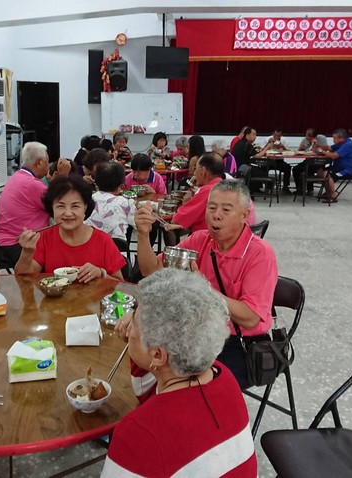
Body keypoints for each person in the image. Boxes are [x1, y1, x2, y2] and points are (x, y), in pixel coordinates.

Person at [104, 269, 257, 476]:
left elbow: (156, 414)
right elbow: (152, 395)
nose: (128, 328)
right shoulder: (223, 375)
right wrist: (141, 345)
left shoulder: (138, 434)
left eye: (134, 323)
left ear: (158, 355)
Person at [135, 180, 277, 389]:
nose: (216, 215)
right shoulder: (201, 240)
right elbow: (152, 271)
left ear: (244, 216)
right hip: (197, 331)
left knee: (179, 381)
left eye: (226, 209)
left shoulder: (260, 254)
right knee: (146, 354)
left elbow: (250, 318)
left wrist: (204, 288)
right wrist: (143, 234)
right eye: (211, 208)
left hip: (239, 343)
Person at [15, 175, 126, 283]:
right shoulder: (44, 238)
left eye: (75, 206)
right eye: (60, 206)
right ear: (52, 208)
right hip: (53, 301)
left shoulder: (103, 241)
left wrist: (101, 273)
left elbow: (121, 285)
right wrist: (27, 252)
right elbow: (23, 280)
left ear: (85, 207)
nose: (68, 213)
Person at [0, 142, 71, 263]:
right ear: (39, 162)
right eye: (47, 162)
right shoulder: (33, 185)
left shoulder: (16, 177)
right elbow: (63, 205)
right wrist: (64, 176)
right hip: (18, 244)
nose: (48, 166)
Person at [169, 153, 257, 236]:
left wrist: (185, 203)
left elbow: (176, 221)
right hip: (239, 236)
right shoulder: (226, 187)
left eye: (196, 169)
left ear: (203, 171)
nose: (194, 173)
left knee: (168, 229)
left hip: (211, 241)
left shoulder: (209, 191)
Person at [86, 162, 137, 241]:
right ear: (120, 185)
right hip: (116, 251)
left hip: (89, 249)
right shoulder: (126, 203)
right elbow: (138, 225)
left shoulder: (86, 200)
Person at [318, 128, 352, 203]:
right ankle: (328, 192)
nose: (333, 140)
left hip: (348, 170)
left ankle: (333, 196)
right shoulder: (339, 144)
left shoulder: (348, 145)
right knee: (320, 171)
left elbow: (334, 156)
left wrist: (321, 151)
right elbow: (329, 148)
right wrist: (318, 145)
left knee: (327, 174)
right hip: (339, 167)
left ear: (341, 138)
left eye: (334, 138)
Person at [231, 126, 273, 192]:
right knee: (263, 174)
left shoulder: (241, 143)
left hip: (239, 166)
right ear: (247, 135)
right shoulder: (246, 144)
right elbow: (258, 156)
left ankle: (255, 189)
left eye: (256, 134)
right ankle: (268, 190)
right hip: (243, 168)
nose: (255, 136)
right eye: (253, 134)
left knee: (258, 170)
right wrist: (267, 147)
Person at [292, 127, 329, 194]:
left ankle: (310, 189)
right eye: (306, 136)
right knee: (295, 169)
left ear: (314, 137)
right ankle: (300, 189)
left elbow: (326, 149)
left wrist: (318, 145)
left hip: (319, 161)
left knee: (308, 169)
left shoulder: (321, 138)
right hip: (308, 160)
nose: (307, 138)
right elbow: (299, 152)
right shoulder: (305, 140)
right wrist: (300, 148)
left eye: (309, 138)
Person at [267, 128, 293, 194]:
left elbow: (289, 151)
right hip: (269, 161)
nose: (277, 137)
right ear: (273, 134)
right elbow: (261, 150)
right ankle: (267, 186)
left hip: (279, 161)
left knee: (288, 167)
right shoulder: (268, 139)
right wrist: (268, 144)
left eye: (279, 136)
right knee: (261, 167)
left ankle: (285, 187)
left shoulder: (284, 140)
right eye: (275, 136)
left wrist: (282, 147)